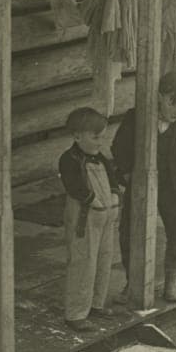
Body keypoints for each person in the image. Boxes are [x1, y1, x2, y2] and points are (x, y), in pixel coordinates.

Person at [111, 71, 176, 303]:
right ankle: (133, 280)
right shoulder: (137, 117)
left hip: (174, 187)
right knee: (130, 230)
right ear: (163, 97)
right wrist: (127, 174)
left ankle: (172, 281)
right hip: (142, 185)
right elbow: (118, 147)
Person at [58, 107, 128, 333]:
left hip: (106, 217)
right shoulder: (69, 160)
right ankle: (76, 314)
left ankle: (96, 304)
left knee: (104, 258)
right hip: (84, 218)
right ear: (77, 136)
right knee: (84, 262)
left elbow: (113, 179)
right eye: (95, 137)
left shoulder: (101, 158)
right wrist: (92, 199)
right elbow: (74, 187)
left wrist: (116, 195)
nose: (100, 142)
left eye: (102, 137)